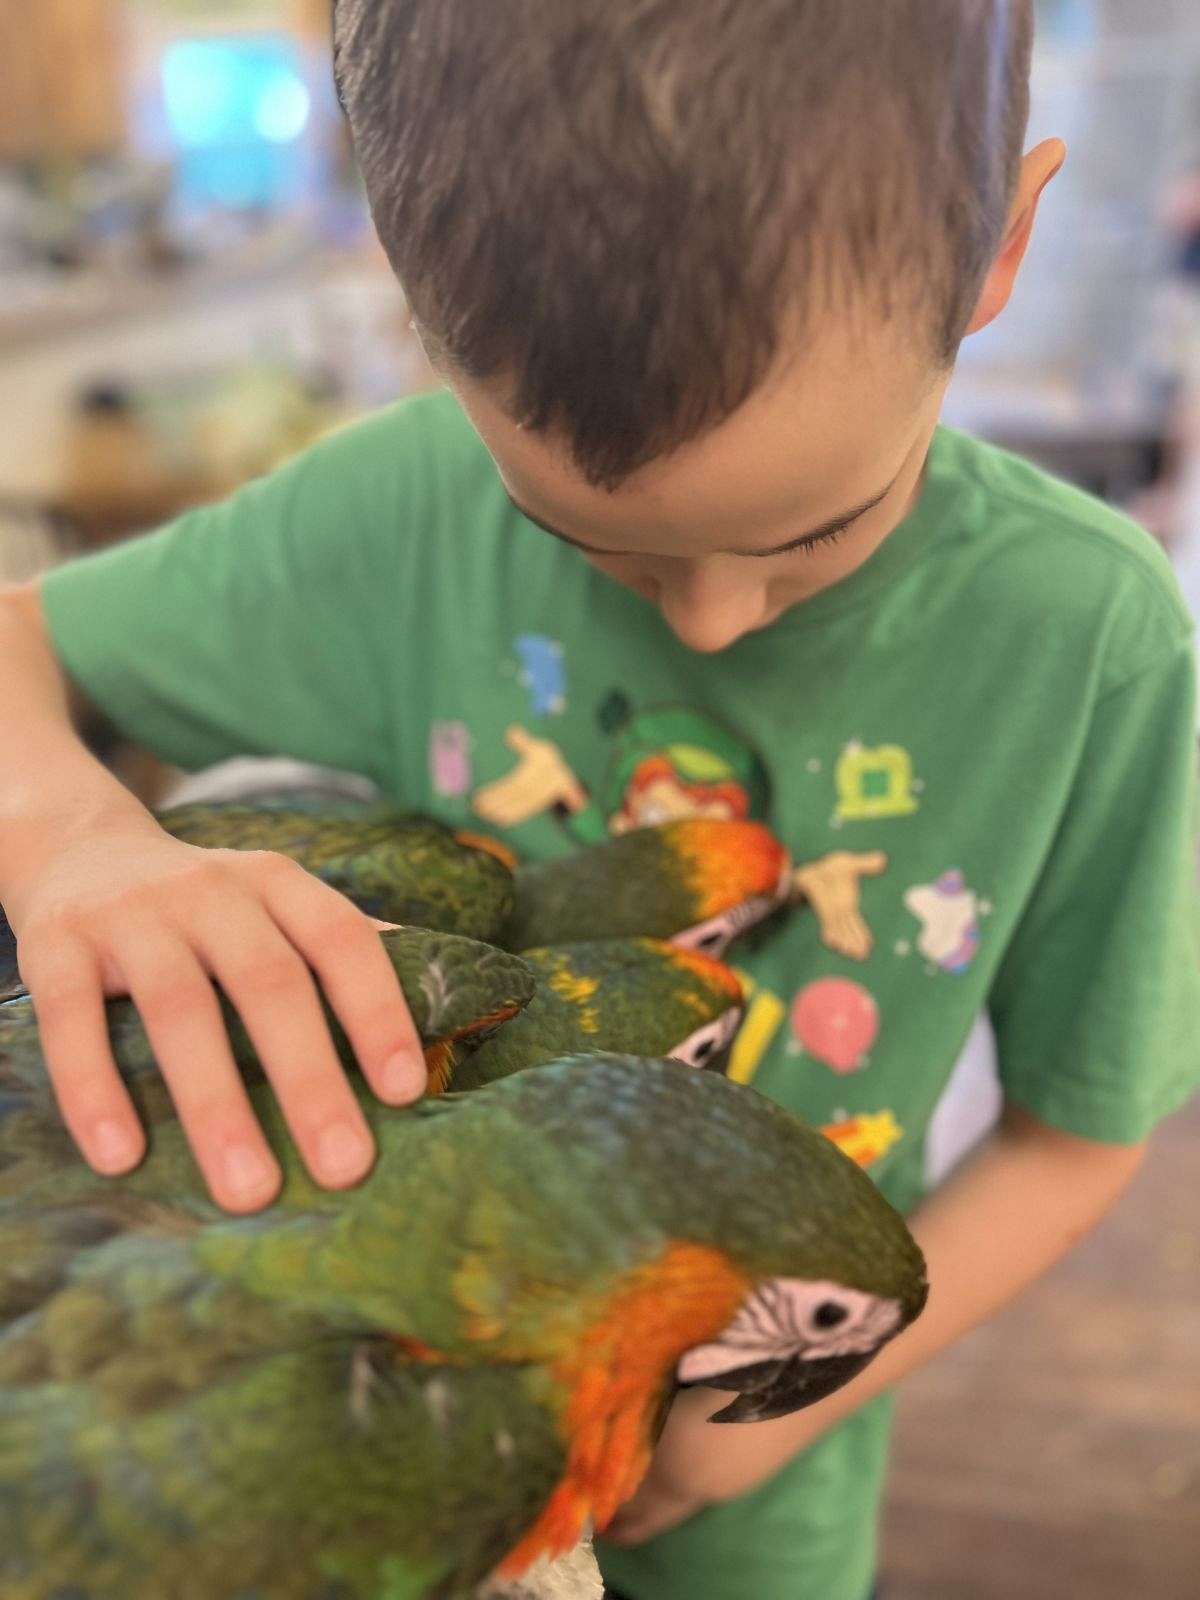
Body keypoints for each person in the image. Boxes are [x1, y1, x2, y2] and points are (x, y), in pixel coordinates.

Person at [1, 4, 1196, 1598]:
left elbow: (1081, 1136)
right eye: (594, 542)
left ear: (1000, 249)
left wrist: (762, 1426)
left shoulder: (1092, 636)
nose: (709, 624)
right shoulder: (398, 513)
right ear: (425, 316)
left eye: (816, 532)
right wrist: (66, 832)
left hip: (752, 1522)